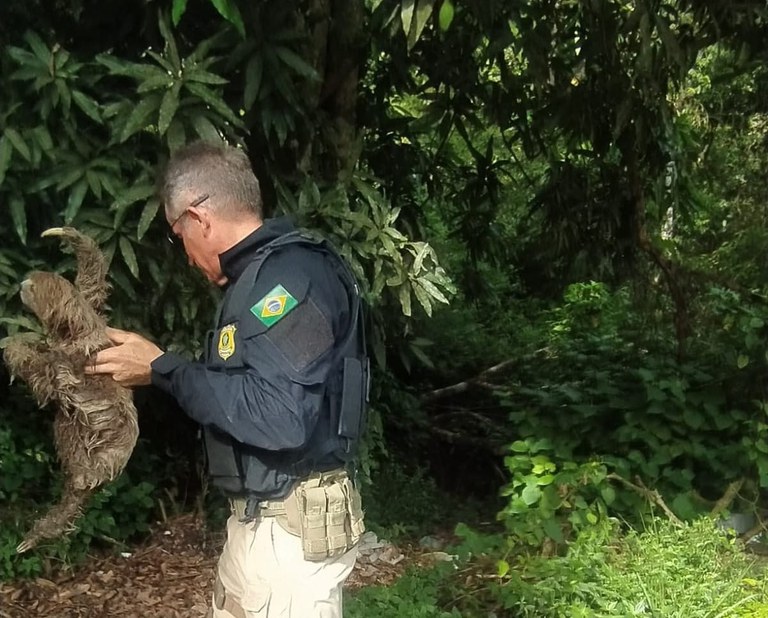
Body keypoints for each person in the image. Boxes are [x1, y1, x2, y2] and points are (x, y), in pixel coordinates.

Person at [87, 140, 368, 618]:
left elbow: (280, 417)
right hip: (259, 525)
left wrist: (161, 368)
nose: (185, 254)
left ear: (198, 220)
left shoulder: (292, 278)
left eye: (178, 236)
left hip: (290, 539)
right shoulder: (256, 281)